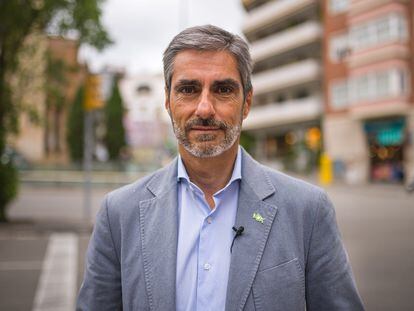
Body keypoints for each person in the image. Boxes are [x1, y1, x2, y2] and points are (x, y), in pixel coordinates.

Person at [77, 25, 365, 311]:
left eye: (223, 89)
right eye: (188, 89)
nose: (204, 108)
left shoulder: (307, 211)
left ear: (247, 103)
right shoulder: (119, 214)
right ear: (167, 100)